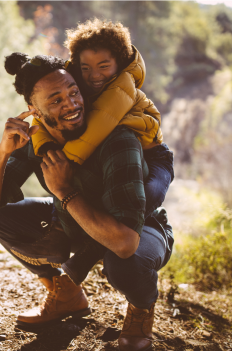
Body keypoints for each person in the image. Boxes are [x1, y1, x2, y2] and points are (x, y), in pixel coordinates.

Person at [0, 52, 173, 351]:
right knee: (0, 218)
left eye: (73, 92)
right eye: (55, 100)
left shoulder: (118, 140)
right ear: (34, 110)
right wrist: (2, 152)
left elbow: (124, 241)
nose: (71, 104)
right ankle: (65, 295)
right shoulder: (38, 139)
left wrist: (64, 190)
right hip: (77, 223)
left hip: (141, 229)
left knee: (124, 264)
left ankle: (141, 308)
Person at [30, 19, 174, 284]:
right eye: (85, 68)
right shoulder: (80, 87)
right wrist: (45, 144)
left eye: (103, 66)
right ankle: (61, 228)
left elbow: (97, 128)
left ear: (119, 64)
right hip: (125, 154)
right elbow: (40, 120)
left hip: (155, 158)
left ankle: (89, 254)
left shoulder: (122, 88)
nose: (94, 75)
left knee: (147, 198)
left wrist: (68, 162)